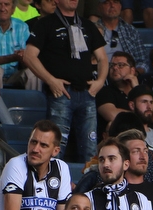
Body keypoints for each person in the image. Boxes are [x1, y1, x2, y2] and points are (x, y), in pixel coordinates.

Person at [24, 0, 108, 163]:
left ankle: (89, 187)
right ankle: (52, 185)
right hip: (61, 93)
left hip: (87, 93)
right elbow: (29, 56)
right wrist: (51, 80)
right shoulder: (45, 24)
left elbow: (103, 58)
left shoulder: (87, 25)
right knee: (55, 148)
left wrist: (100, 81)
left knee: (90, 149)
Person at [83, 138, 153, 210]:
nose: (105, 164)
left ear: (126, 164)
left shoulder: (142, 201)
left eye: (111, 159)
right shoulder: (86, 199)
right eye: (101, 160)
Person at [92, 0, 149, 74]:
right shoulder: (92, 30)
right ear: (99, 8)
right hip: (99, 75)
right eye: (107, 2)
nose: (112, 5)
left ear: (120, 6)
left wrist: (135, 73)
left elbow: (143, 60)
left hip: (126, 77)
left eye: (115, 2)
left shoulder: (131, 31)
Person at [116, 129, 153, 210]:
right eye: (136, 151)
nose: (143, 156)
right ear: (123, 157)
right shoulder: (112, 192)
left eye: (145, 151)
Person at [96, 53, 140, 138]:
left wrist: (136, 89)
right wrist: (141, 115)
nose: (115, 68)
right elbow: (112, 115)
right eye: (112, 65)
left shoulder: (141, 89)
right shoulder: (103, 91)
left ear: (132, 70)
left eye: (121, 65)